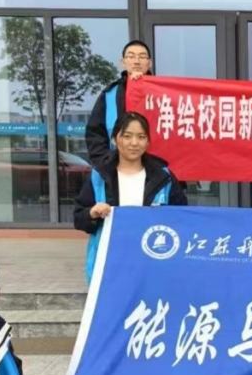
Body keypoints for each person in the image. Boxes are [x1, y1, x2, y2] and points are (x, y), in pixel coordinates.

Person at [75, 111, 187, 281]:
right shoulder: (99, 176)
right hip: (110, 264)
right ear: (115, 139)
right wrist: (93, 213)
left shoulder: (164, 177)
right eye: (127, 136)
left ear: (148, 141)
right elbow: (79, 218)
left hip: (152, 263)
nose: (134, 143)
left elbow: (182, 218)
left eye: (141, 137)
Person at [85, 39, 153, 169]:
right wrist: (107, 163)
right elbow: (95, 133)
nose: (137, 61)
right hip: (118, 169)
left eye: (142, 57)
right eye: (131, 56)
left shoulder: (163, 93)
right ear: (123, 62)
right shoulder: (110, 94)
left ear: (149, 63)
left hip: (156, 170)